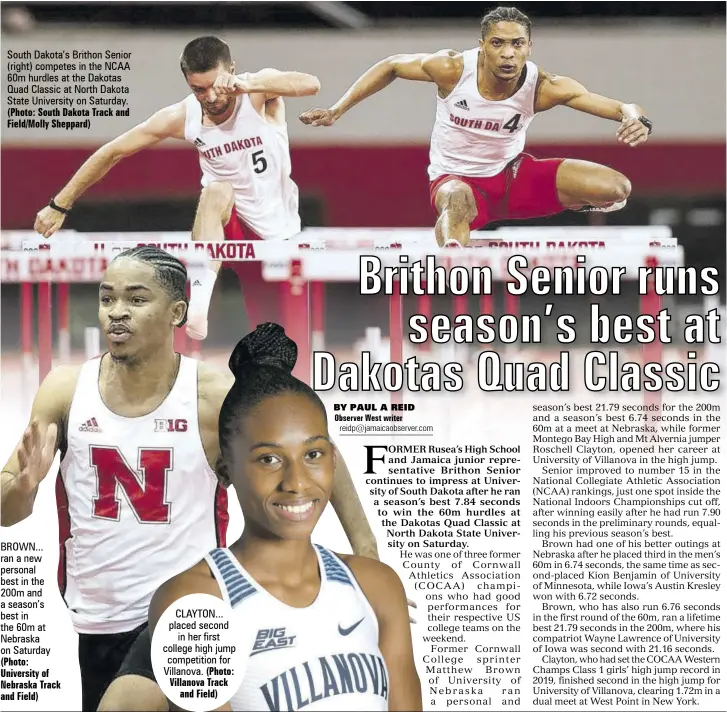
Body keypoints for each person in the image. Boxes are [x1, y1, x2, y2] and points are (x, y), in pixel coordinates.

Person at [0, 248, 378, 712]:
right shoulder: (64, 390)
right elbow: (7, 513)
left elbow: (319, 452)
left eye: (136, 300)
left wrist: (367, 558)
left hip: (191, 611)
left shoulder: (213, 398)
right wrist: (22, 489)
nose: (116, 313)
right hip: (98, 621)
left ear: (177, 312)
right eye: (107, 299)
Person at [147, 323, 421, 712]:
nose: (296, 483)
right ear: (225, 471)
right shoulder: (193, 602)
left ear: (333, 460)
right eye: (269, 459)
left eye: (313, 455)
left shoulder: (377, 587)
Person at [33, 35, 320, 340]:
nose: (209, 97)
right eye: (198, 89)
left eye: (214, 85)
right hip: (224, 232)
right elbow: (113, 151)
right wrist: (59, 205)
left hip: (278, 236)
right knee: (216, 191)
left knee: (284, 354)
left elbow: (311, 84)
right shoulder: (183, 116)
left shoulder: (259, 90)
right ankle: (198, 304)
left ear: (231, 69)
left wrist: (246, 85)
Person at [299, 5, 651, 247]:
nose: (508, 53)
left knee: (617, 188)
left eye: (517, 44)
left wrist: (635, 117)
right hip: (456, 182)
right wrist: (336, 110)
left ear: (529, 48)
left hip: (513, 177)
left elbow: (621, 106)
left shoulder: (544, 86)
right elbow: (391, 65)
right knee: (456, 202)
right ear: (482, 46)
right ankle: (454, 258)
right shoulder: (452, 70)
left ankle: (580, 203)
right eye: (498, 44)